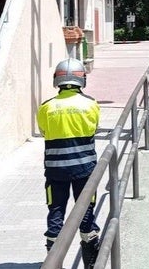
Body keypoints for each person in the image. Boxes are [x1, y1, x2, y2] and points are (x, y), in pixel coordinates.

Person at [37, 58, 101, 268]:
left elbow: (44, 132)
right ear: (82, 79)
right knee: (86, 213)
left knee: (56, 211)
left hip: (55, 171)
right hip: (85, 170)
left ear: (57, 79)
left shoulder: (46, 107)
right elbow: (93, 130)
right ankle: (91, 263)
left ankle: (53, 262)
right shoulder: (91, 104)